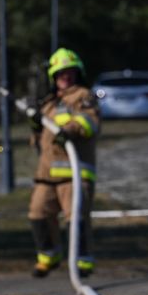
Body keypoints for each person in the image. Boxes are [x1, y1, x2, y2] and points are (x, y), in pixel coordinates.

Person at [26, 48, 100, 278]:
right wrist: (36, 126)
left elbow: (90, 122)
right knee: (37, 212)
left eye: (69, 73)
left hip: (75, 172)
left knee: (75, 218)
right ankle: (48, 256)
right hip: (46, 173)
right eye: (60, 74)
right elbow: (38, 142)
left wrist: (68, 130)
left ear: (77, 73)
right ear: (53, 77)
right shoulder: (48, 103)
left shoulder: (83, 96)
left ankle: (83, 263)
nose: (65, 77)